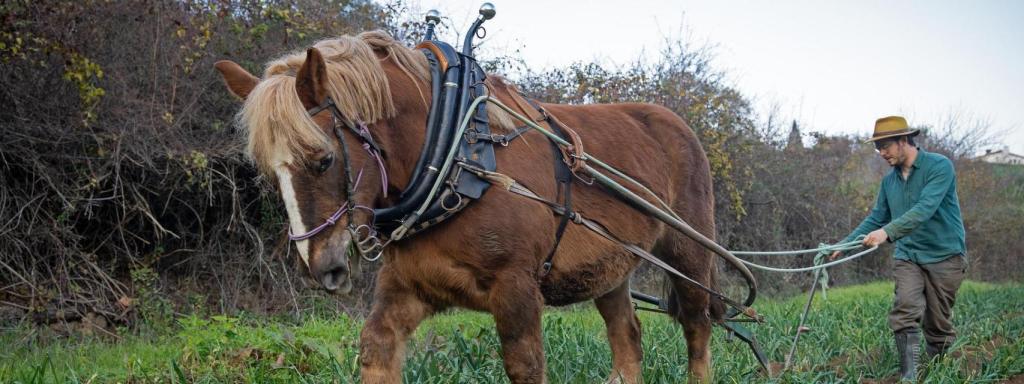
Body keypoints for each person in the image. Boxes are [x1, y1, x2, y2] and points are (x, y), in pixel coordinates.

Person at [830, 116, 967, 381]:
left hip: (945, 256)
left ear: (903, 140)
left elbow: (924, 209)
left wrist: (886, 233)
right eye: (877, 148)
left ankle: (937, 370)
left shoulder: (939, 166)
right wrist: (844, 245)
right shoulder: (889, 182)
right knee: (905, 308)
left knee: (937, 323)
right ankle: (909, 376)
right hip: (908, 256)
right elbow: (876, 217)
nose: (881, 153)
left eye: (885, 146)